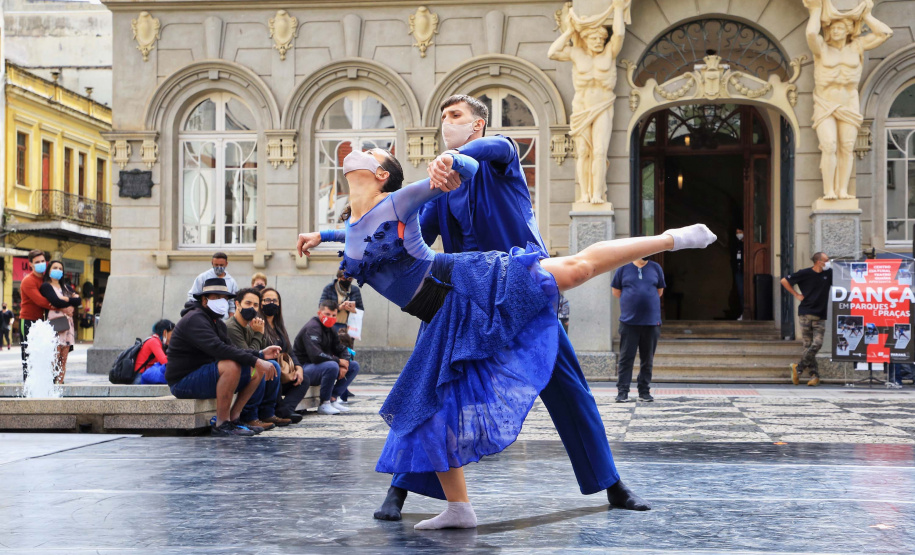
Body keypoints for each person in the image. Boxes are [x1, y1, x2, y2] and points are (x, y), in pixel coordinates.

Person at [296, 145, 715, 529]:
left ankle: (672, 239)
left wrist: (451, 161)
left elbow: (470, 167)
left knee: (574, 270)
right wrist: (320, 237)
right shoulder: (348, 224)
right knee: (427, 406)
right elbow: (356, 237)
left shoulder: (400, 202)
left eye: (371, 151)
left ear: (382, 174)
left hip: (465, 282)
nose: (360, 151)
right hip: (440, 316)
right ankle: (459, 508)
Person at [375, 93, 652, 523]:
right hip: (463, 303)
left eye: (456, 116)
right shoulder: (440, 191)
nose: (447, 123)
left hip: (523, 295)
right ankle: (399, 490)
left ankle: (612, 484)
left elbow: (497, 149)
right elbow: (413, 241)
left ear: (477, 125)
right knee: (425, 389)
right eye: (444, 118)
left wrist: (454, 155)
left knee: (569, 390)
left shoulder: (501, 160)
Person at [165, 277, 281, 437]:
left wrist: (260, 354)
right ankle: (222, 423)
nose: (222, 301)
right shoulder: (195, 319)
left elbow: (231, 348)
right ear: (205, 300)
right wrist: (256, 359)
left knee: (256, 370)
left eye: (225, 298)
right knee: (230, 365)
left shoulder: (217, 322)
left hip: (204, 376)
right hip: (183, 381)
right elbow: (219, 350)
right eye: (217, 297)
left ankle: (234, 419)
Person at [225, 287, 286, 430]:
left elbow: (259, 351)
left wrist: (260, 334)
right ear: (238, 304)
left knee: (272, 365)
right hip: (235, 372)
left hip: (245, 368)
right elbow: (249, 355)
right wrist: (259, 334)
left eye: (256, 305)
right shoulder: (231, 327)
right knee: (259, 368)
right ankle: (249, 416)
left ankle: (267, 413)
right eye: (248, 303)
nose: (252, 308)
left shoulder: (250, 325)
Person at [612, 257, 666, 403]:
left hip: (651, 322)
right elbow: (616, 291)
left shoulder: (655, 268)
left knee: (647, 359)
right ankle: (622, 391)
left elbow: (659, 291)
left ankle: (644, 391)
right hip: (629, 322)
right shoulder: (623, 268)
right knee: (625, 358)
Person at [293, 300, 360, 415]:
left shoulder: (330, 329)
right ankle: (324, 403)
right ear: (319, 313)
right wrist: (339, 361)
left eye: (334, 315)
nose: (331, 317)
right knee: (332, 366)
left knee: (354, 366)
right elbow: (316, 356)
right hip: (303, 368)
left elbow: (341, 348)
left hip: (318, 366)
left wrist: (346, 363)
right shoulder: (312, 328)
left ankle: (333, 398)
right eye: (327, 314)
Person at [19, 250, 73, 380]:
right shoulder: (28, 281)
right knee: (28, 356)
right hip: (28, 321)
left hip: (43, 322)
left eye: (43, 261)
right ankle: (28, 389)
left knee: (44, 355)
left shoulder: (45, 280)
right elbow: (42, 301)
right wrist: (64, 307)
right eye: (37, 262)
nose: (41, 264)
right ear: (30, 264)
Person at [781, 252, 832, 387]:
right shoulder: (805, 273)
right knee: (807, 345)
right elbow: (784, 281)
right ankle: (814, 375)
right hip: (805, 313)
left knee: (817, 344)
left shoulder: (829, 274)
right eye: (826, 260)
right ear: (818, 261)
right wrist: (796, 294)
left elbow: (844, 275)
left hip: (820, 315)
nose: (829, 262)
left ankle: (798, 367)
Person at [260, 287, 308, 423]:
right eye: (267, 300)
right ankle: (279, 409)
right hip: (267, 370)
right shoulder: (257, 324)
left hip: (282, 369)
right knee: (275, 369)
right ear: (261, 303)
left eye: (275, 300)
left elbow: (290, 351)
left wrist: (298, 367)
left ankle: (284, 411)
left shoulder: (279, 325)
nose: (271, 303)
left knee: (304, 379)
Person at [40, 261, 81, 384]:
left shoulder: (66, 287)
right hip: (55, 325)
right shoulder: (46, 286)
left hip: (68, 327)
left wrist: (66, 299)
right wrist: (69, 301)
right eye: (55, 268)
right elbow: (55, 301)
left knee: (63, 359)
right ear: (49, 270)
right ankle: (50, 384)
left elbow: (78, 300)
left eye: (60, 268)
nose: (58, 270)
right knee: (54, 357)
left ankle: (60, 384)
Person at [320, 270, 363, 334]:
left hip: (348, 326)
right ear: (338, 277)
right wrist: (339, 307)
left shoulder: (355, 290)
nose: (347, 280)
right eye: (344, 278)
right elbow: (321, 306)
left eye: (350, 279)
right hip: (331, 324)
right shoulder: (329, 288)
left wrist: (353, 310)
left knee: (346, 343)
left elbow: (360, 309)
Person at [134, 319, 174, 384]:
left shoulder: (158, 342)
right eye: (171, 334)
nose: (173, 337)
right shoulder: (154, 341)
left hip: (146, 375)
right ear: (165, 332)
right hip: (140, 377)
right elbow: (165, 362)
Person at [733, 227, 745, 320]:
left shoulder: (747, 244)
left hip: (746, 271)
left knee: (746, 292)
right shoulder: (736, 244)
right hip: (738, 271)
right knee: (741, 292)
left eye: (740, 232)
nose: (738, 234)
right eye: (737, 232)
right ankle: (743, 312)